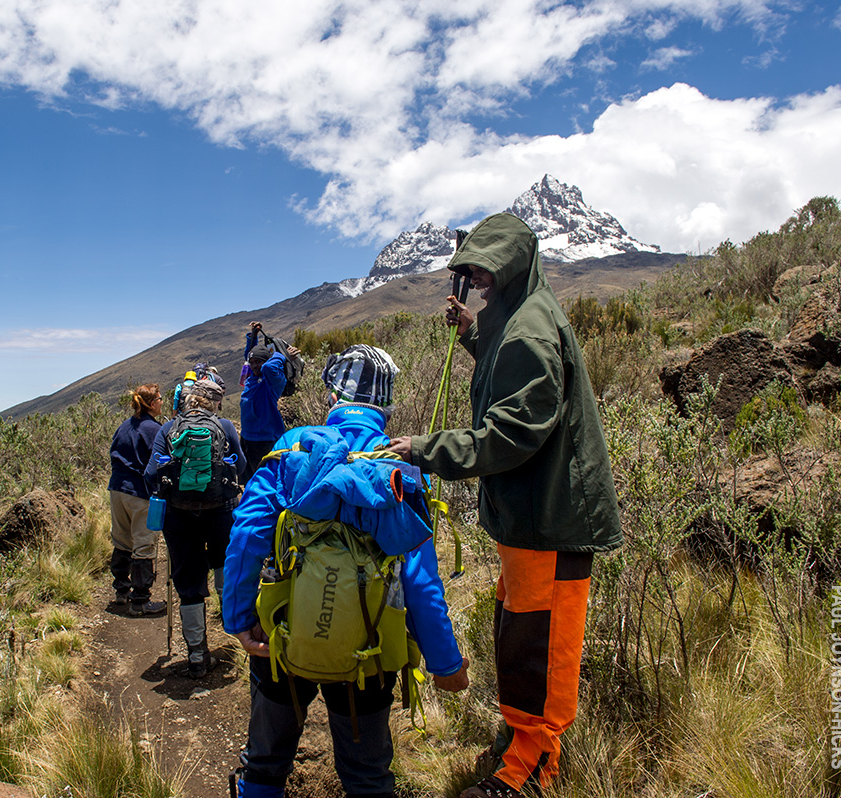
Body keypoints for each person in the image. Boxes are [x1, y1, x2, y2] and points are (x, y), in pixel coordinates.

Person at [386, 213, 622, 798]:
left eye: (486, 274)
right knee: (521, 635)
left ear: (512, 268)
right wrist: (472, 332)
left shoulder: (529, 330)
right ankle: (520, 739)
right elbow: (507, 374)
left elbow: (510, 435)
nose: (478, 285)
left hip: (549, 521)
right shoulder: (522, 316)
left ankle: (532, 769)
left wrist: (426, 450)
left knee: (540, 643)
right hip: (529, 519)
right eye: (471, 275)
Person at [224, 345, 470, 798]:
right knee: (367, 777)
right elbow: (420, 581)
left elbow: (246, 535)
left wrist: (239, 618)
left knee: (264, 766)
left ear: (333, 394)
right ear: (386, 403)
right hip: (369, 653)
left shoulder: (293, 446)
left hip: (282, 639)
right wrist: (446, 663)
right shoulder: (400, 466)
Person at [145, 378, 248, 678]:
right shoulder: (225, 426)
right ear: (211, 402)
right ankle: (234, 626)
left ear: (185, 402)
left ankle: (197, 656)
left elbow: (151, 473)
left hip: (179, 518)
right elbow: (240, 467)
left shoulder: (168, 429)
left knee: (188, 586)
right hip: (220, 514)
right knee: (224, 565)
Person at [107, 383, 167, 617]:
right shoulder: (154, 430)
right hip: (140, 493)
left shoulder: (124, 426)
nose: (163, 401)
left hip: (117, 490)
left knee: (121, 540)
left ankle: (121, 590)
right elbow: (160, 462)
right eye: (160, 398)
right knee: (144, 544)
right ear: (152, 404)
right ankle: (140, 601)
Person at [239, 321, 300, 471]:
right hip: (247, 437)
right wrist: (253, 335)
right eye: (252, 363)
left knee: (267, 479)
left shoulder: (273, 382)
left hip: (265, 439)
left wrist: (283, 355)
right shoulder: (252, 377)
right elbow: (249, 355)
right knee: (250, 479)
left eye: (258, 362)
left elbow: (270, 366)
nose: (254, 366)